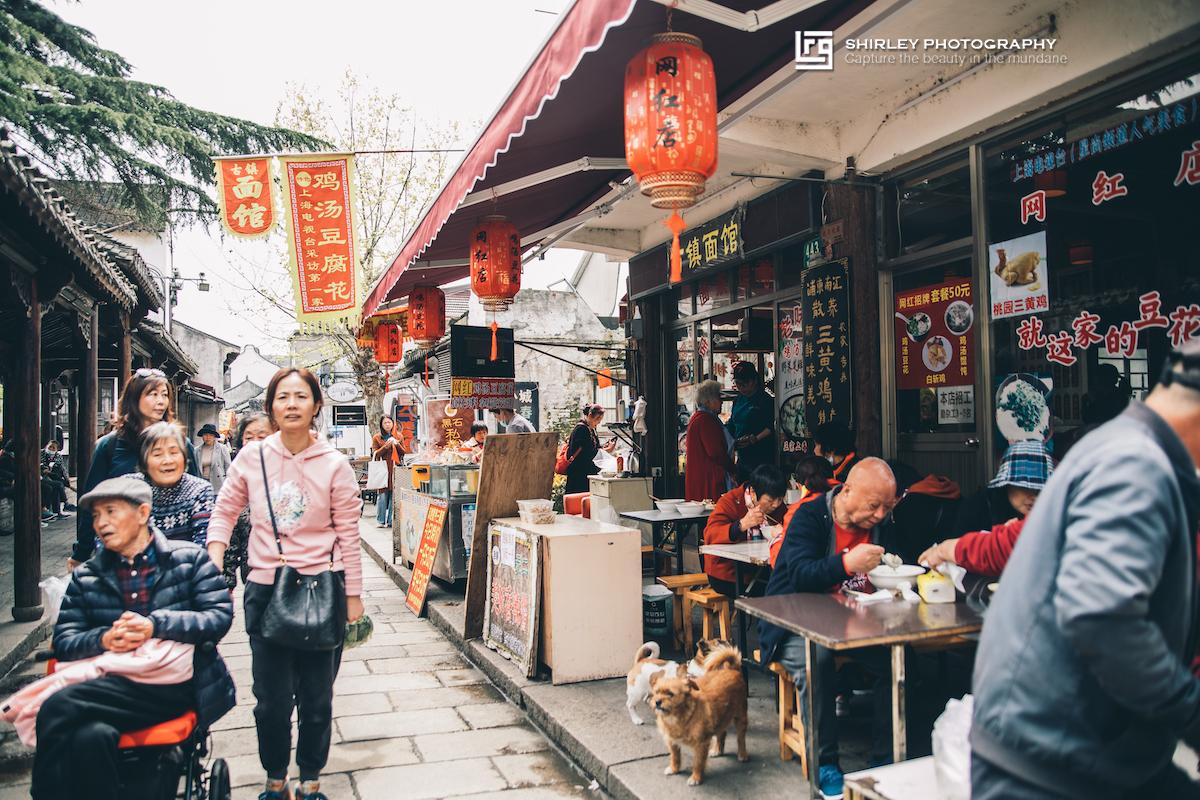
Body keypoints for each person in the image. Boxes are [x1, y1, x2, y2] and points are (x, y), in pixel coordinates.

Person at [971, 343, 1200, 799]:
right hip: (1048, 768)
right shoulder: (1133, 464)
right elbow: (1102, 616)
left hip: (1093, 755)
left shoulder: (1124, 450)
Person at [206, 368, 363, 800]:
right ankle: (275, 780)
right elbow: (224, 510)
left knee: (317, 701)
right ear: (271, 406)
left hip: (323, 590)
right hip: (265, 588)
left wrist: (354, 596)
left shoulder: (334, 465)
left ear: (316, 405)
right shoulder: (252, 458)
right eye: (282, 397)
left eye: (300, 396)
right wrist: (214, 555)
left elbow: (349, 534)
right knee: (270, 702)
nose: (291, 404)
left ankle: (310, 781)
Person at [33, 476, 235, 800]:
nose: (102, 523)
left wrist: (155, 625)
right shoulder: (86, 576)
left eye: (111, 512)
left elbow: (218, 617)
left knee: (57, 705)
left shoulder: (188, 559)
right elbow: (66, 641)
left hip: (173, 686)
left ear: (142, 513)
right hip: (109, 685)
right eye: (97, 516)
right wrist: (104, 639)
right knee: (91, 736)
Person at [759, 458, 902, 799]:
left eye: (887, 506)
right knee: (816, 659)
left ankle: (887, 760)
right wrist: (847, 563)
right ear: (847, 491)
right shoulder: (811, 516)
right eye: (874, 506)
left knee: (897, 659)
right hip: (792, 623)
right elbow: (799, 575)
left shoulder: (882, 525)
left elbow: (896, 566)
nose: (880, 514)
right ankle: (825, 762)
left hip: (855, 622)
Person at [72, 368, 198, 569]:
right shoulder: (110, 445)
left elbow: (197, 494)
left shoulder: (181, 444)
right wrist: (81, 551)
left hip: (175, 549)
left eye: (164, 395)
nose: (161, 401)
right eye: (153, 394)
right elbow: (93, 502)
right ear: (134, 398)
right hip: (121, 550)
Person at [702, 464, 787, 597]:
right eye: (770, 500)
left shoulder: (779, 509)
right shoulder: (730, 501)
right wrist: (741, 525)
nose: (776, 504)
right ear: (753, 492)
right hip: (728, 573)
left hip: (761, 569)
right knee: (775, 590)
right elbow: (710, 535)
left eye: (780, 499)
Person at [948, 439, 1053, 537]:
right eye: (1025, 487)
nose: (1035, 495)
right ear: (1007, 484)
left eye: (1041, 489)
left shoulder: (1054, 511)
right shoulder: (977, 508)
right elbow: (957, 549)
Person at [133, 422, 214, 547]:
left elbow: (202, 548)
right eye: (157, 454)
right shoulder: (130, 489)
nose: (167, 460)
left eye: (174, 452)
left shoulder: (199, 491)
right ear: (144, 462)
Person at [221, 413, 271, 590]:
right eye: (248, 437)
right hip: (254, 578)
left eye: (262, 437)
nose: (255, 443)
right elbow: (229, 542)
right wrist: (227, 585)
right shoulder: (237, 483)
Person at [770, 455, 837, 568]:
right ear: (833, 475)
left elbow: (780, 560)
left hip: (817, 574)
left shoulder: (800, 510)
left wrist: (778, 537)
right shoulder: (848, 495)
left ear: (799, 486)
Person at [685, 380, 737, 502]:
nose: (721, 402)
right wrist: (732, 468)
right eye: (718, 398)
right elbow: (715, 452)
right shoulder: (705, 420)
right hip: (709, 479)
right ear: (708, 401)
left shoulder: (700, 418)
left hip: (703, 477)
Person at [726, 361, 774, 481]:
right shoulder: (738, 400)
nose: (741, 387)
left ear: (754, 381)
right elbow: (732, 423)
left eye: (745, 383)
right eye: (738, 383)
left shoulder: (765, 400)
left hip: (761, 456)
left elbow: (771, 426)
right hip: (742, 457)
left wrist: (755, 438)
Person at [563, 404, 614, 495]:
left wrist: (604, 447)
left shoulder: (590, 429)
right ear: (590, 416)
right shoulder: (581, 429)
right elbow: (587, 453)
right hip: (579, 474)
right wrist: (606, 450)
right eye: (597, 419)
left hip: (585, 473)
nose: (598, 422)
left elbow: (593, 448)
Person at [371, 416, 400, 529]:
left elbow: (403, 452)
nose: (387, 424)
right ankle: (380, 520)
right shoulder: (377, 438)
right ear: (381, 425)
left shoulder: (399, 436)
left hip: (395, 469)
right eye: (385, 423)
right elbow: (376, 453)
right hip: (382, 469)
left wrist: (396, 444)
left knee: (394, 495)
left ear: (393, 423)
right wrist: (386, 446)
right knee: (382, 495)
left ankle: (391, 521)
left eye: (389, 422)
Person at [40, 439, 72, 521]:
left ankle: (57, 512)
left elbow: (63, 469)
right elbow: (42, 467)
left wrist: (67, 479)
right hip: (43, 476)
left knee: (57, 488)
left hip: (53, 476)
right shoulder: (41, 453)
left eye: (53, 448)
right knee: (58, 485)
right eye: (50, 447)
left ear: (57, 449)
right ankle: (65, 504)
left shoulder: (58, 456)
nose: (51, 449)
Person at [196, 423, 231, 496]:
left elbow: (228, 467)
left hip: (218, 484)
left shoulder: (222, 448)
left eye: (211, 435)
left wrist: (227, 485)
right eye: (205, 434)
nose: (208, 437)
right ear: (202, 436)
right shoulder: (196, 450)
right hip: (202, 484)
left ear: (214, 436)